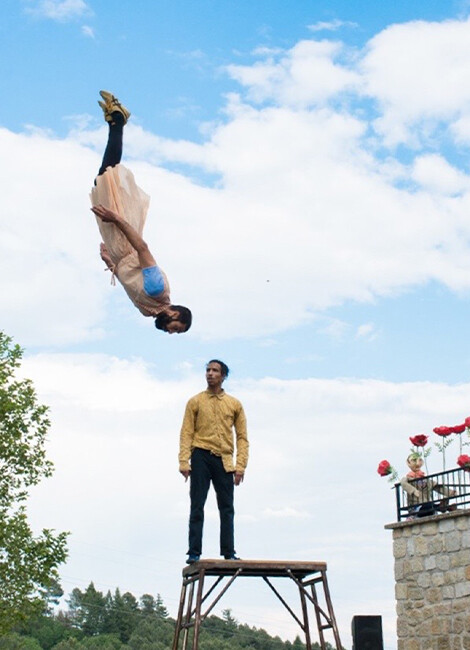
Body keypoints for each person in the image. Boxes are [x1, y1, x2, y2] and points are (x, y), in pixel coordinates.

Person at [90, 91, 192, 334]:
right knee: (106, 177)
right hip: (125, 237)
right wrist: (116, 218)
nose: (170, 331)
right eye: (176, 328)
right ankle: (117, 121)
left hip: (118, 251)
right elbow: (143, 249)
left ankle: (116, 122)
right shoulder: (158, 290)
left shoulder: (148, 310)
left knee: (103, 177)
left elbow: (129, 281)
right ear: (178, 314)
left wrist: (110, 263)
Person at [179, 360, 249, 564]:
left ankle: (228, 551)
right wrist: (184, 461)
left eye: (215, 371)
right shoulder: (195, 401)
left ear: (223, 376)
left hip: (225, 459)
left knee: (227, 507)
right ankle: (194, 552)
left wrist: (240, 465)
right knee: (197, 504)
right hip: (200, 454)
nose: (210, 374)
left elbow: (242, 437)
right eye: (208, 370)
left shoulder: (234, 404)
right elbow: (186, 432)